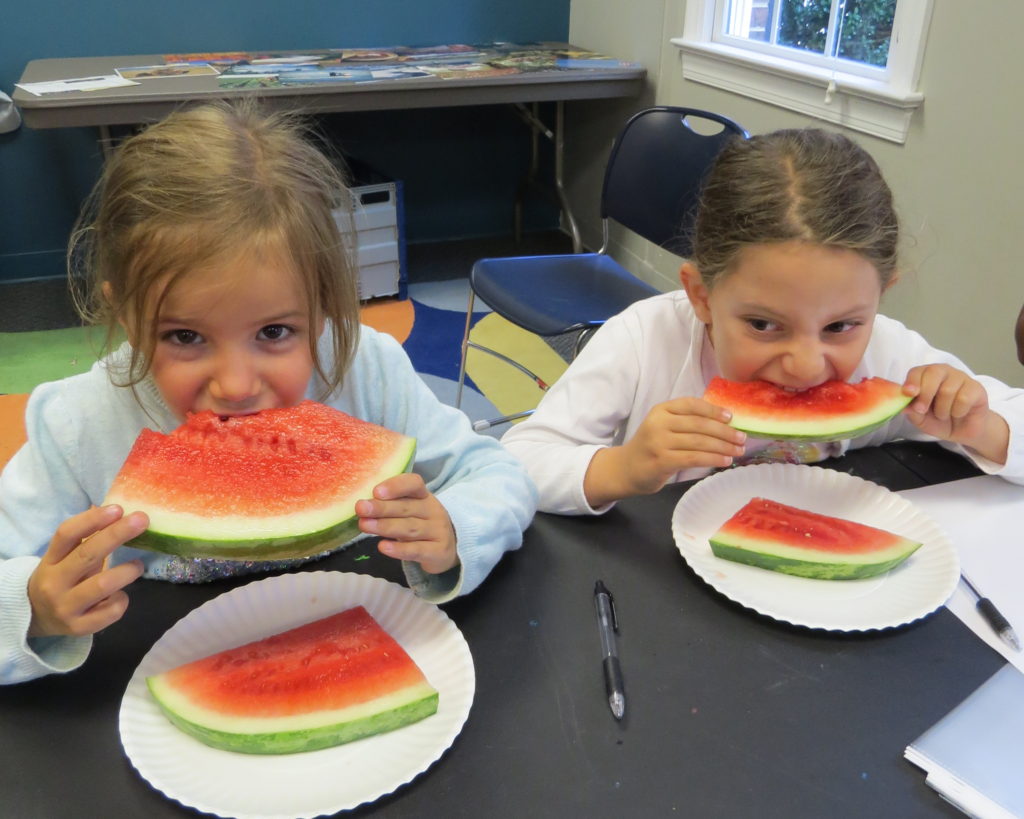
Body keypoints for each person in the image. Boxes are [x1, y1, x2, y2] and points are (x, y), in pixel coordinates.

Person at [0, 102, 537, 684]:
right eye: (185, 336)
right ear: (126, 315)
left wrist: (456, 527)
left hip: (351, 634)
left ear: (325, 306)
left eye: (274, 332)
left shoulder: (368, 372)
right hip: (156, 671)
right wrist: (33, 607)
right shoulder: (77, 424)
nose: (234, 386)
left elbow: (499, 474)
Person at [502, 128, 1024, 515]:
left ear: (880, 298)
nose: (804, 365)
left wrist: (982, 427)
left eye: (841, 327)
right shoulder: (643, 340)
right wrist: (621, 468)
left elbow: (1009, 421)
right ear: (701, 296)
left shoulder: (890, 355)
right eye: (763, 325)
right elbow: (519, 460)